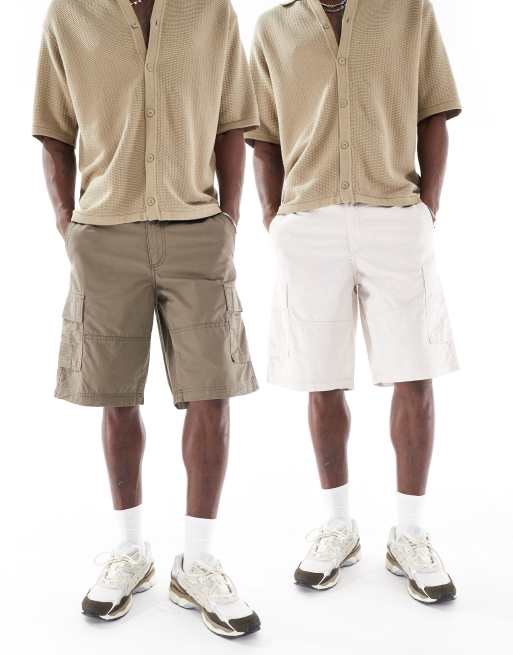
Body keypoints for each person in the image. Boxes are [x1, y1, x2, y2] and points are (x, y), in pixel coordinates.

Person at [33, 0, 261, 636]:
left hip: (197, 230)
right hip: (103, 234)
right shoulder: (69, 14)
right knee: (116, 396)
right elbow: (53, 130)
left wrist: (229, 221)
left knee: (213, 390)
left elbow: (233, 123)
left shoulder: (212, 11)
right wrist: (68, 224)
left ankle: (199, 561)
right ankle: (130, 550)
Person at [247, 0, 461, 604]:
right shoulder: (272, 27)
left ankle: (410, 533)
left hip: (395, 215)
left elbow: (434, 112)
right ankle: (337, 525)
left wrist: (427, 208)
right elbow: (263, 138)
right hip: (307, 223)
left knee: (414, 370)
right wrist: (274, 218)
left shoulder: (409, 11)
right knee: (322, 378)